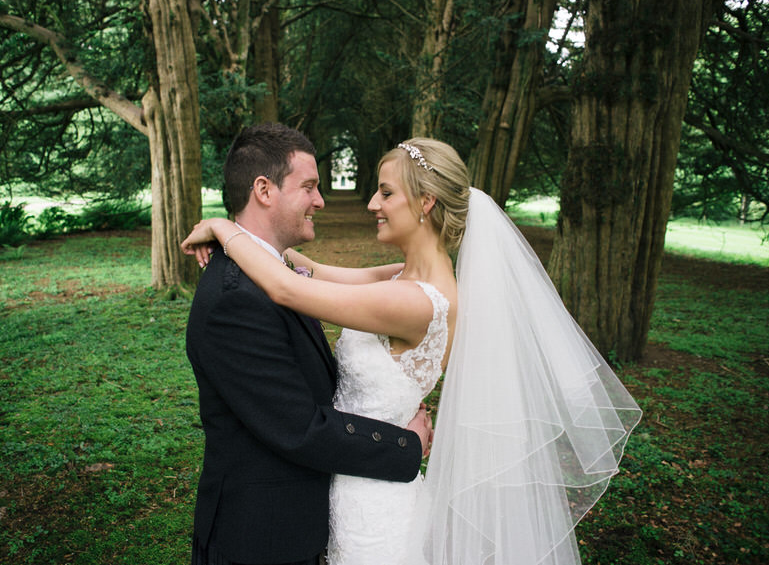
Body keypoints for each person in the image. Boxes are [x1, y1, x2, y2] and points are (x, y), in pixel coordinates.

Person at [183, 137, 642, 565]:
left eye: (385, 193)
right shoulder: (403, 276)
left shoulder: (417, 302)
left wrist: (224, 226)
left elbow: (287, 289)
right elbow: (310, 270)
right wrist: (254, 237)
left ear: (425, 202)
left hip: (375, 502)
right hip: (351, 483)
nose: (372, 204)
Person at [183, 123, 432, 565]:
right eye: (309, 187)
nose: (320, 200)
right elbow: (300, 430)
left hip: (301, 527)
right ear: (264, 189)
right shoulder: (234, 300)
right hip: (262, 542)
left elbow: (391, 278)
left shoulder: (276, 271)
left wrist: (223, 226)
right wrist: (403, 445)